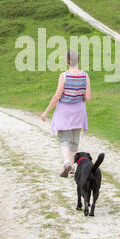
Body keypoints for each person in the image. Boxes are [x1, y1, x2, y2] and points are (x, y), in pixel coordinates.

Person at [41, 49, 91, 177]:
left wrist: (46, 112)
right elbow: (88, 97)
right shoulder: (85, 76)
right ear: (78, 60)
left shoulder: (64, 76)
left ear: (67, 61)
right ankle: (73, 167)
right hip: (79, 111)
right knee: (75, 140)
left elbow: (57, 96)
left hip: (64, 111)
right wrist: (78, 94)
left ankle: (67, 163)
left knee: (64, 138)